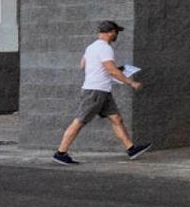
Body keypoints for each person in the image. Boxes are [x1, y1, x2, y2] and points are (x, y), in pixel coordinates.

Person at [53, 19, 150, 164]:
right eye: (116, 32)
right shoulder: (105, 48)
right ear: (111, 32)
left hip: (103, 91)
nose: (116, 35)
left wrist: (105, 70)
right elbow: (111, 70)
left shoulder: (91, 47)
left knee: (116, 119)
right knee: (79, 121)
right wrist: (131, 82)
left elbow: (82, 65)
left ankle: (131, 149)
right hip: (95, 91)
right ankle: (61, 153)